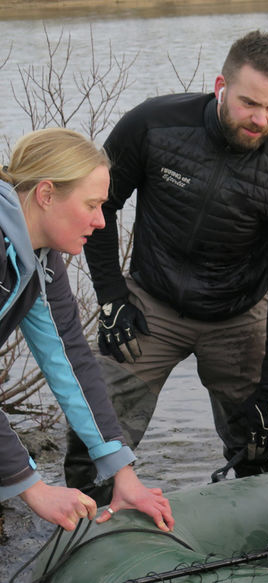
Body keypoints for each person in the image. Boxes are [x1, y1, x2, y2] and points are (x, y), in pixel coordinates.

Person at [63, 29, 268, 504]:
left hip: (238, 318)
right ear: (222, 84)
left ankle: (265, 534)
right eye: (249, 104)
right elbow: (102, 203)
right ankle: (85, 525)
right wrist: (112, 295)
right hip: (150, 305)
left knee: (259, 444)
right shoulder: (154, 124)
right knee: (94, 431)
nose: (261, 119)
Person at [0, 127, 174, 533]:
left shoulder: (40, 259)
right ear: (46, 194)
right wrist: (33, 487)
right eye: (92, 205)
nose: (100, 221)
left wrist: (122, 472)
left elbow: (72, 363)